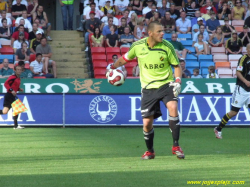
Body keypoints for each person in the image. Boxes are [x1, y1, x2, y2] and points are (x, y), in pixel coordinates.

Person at [107, 21, 185, 160]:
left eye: (163, 31)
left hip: (166, 84)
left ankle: (176, 146)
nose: (163, 34)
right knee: (147, 123)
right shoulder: (138, 46)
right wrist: (113, 67)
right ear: (150, 33)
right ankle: (150, 151)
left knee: (173, 107)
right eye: (159, 31)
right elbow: (125, 59)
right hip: (148, 88)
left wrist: (178, 81)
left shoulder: (167, 46)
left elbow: (176, 66)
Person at [214, 43, 250, 139]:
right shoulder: (243, 59)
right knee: (233, 112)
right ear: (247, 49)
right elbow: (238, 72)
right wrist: (246, 81)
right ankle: (218, 128)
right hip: (241, 89)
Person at [0, 64, 24, 129]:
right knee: (6, 111)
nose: (19, 71)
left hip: (13, 96)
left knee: (16, 109)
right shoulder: (13, 77)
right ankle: (16, 126)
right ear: (15, 70)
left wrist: (19, 89)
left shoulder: (18, 78)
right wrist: (12, 90)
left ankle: (16, 126)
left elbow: (14, 85)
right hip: (9, 95)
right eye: (18, 70)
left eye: (20, 70)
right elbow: (6, 84)